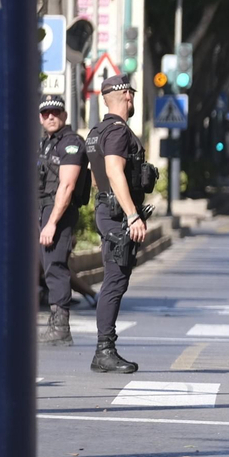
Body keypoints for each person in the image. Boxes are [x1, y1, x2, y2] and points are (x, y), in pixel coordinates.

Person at [85, 74, 153, 374]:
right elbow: (113, 171)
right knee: (115, 280)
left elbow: (95, 177)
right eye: (132, 95)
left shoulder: (96, 131)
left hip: (107, 209)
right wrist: (132, 214)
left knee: (116, 279)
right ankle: (104, 351)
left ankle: (105, 350)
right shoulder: (118, 131)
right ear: (127, 95)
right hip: (116, 215)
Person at [36, 95, 90, 346]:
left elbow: (67, 186)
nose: (50, 116)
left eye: (55, 112)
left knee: (55, 266)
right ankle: (54, 322)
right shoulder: (45, 143)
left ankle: (60, 327)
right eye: (45, 113)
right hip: (42, 208)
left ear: (65, 116)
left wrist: (52, 223)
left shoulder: (71, 143)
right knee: (46, 265)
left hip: (57, 210)